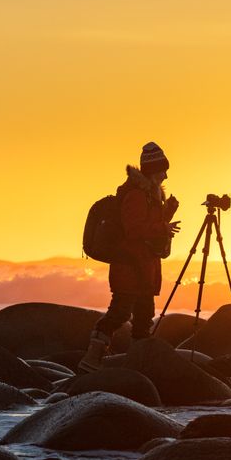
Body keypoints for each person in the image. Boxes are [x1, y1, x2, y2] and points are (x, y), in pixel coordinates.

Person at [79, 142, 180, 372]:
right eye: (162, 170)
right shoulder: (135, 195)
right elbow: (133, 230)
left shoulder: (150, 196)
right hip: (129, 267)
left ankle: (138, 366)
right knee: (119, 313)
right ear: (152, 170)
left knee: (144, 318)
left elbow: (147, 227)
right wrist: (162, 227)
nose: (165, 175)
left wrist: (166, 216)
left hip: (143, 268)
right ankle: (91, 359)